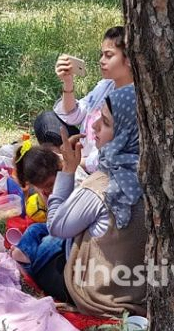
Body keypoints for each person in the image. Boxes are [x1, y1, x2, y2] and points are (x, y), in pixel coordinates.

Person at [44, 85, 147, 316]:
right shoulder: (157, 175)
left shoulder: (103, 184)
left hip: (99, 296)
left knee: (41, 258)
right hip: (138, 290)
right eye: (99, 117)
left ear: (127, 132)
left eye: (107, 123)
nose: (94, 125)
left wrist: (68, 170)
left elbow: (56, 226)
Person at [54, 26, 133, 176]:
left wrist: (67, 161)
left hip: (97, 167)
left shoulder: (130, 101)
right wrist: (68, 82)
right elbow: (73, 115)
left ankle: (60, 158)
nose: (101, 61)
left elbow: (108, 157)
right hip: (83, 146)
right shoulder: (106, 85)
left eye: (108, 55)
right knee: (46, 120)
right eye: (101, 54)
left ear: (128, 59)